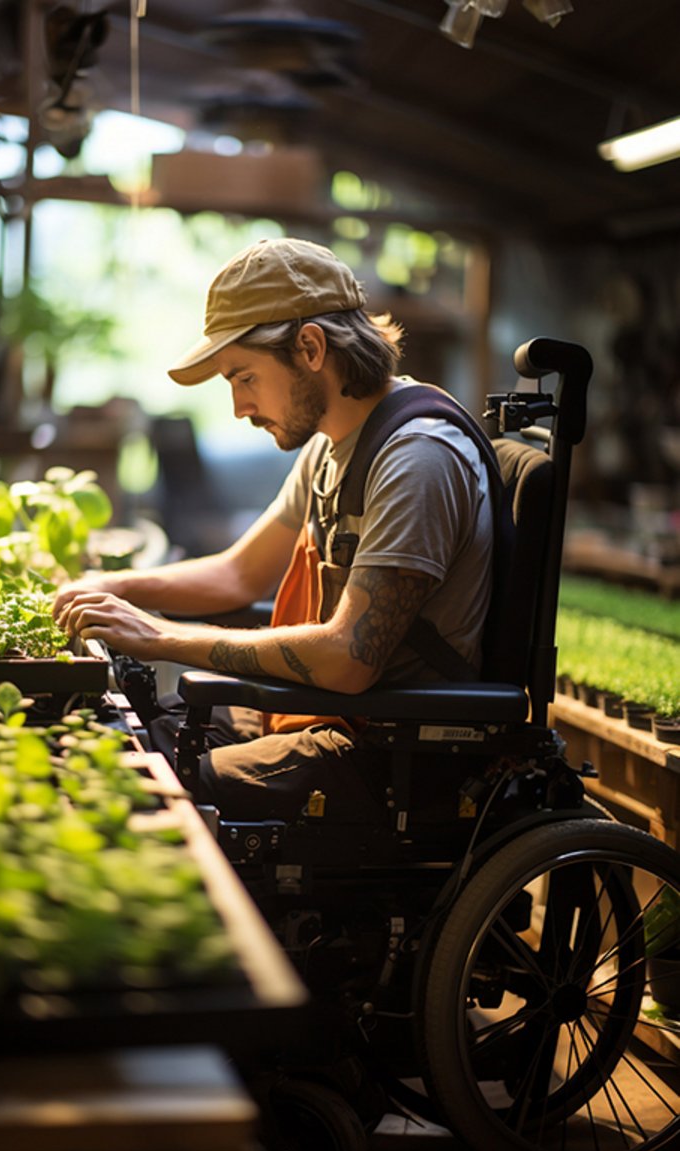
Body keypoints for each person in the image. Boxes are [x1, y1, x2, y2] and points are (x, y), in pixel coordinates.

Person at [54, 237, 495, 819]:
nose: (239, 406)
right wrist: (116, 591)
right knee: (143, 733)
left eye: (244, 378)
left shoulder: (416, 459)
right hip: (329, 712)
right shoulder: (332, 450)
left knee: (145, 787)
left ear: (310, 347)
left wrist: (159, 637)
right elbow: (239, 574)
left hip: (389, 745)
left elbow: (347, 657)